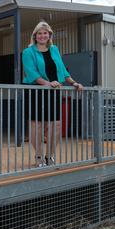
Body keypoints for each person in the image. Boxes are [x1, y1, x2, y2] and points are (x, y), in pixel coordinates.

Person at [22, 21, 84, 167]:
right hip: (35, 91)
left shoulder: (54, 49)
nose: (42, 36)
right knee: (36, 125)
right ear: (35, 36)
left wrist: (73, 82)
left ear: (49, 35)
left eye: (45, 33)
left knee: (55, 124)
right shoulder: (28, 52)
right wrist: (47, 83)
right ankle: (38, 157)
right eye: (39, 33)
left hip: (53, 90)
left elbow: (62, 69)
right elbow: (31, 72)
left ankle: (50, 156)